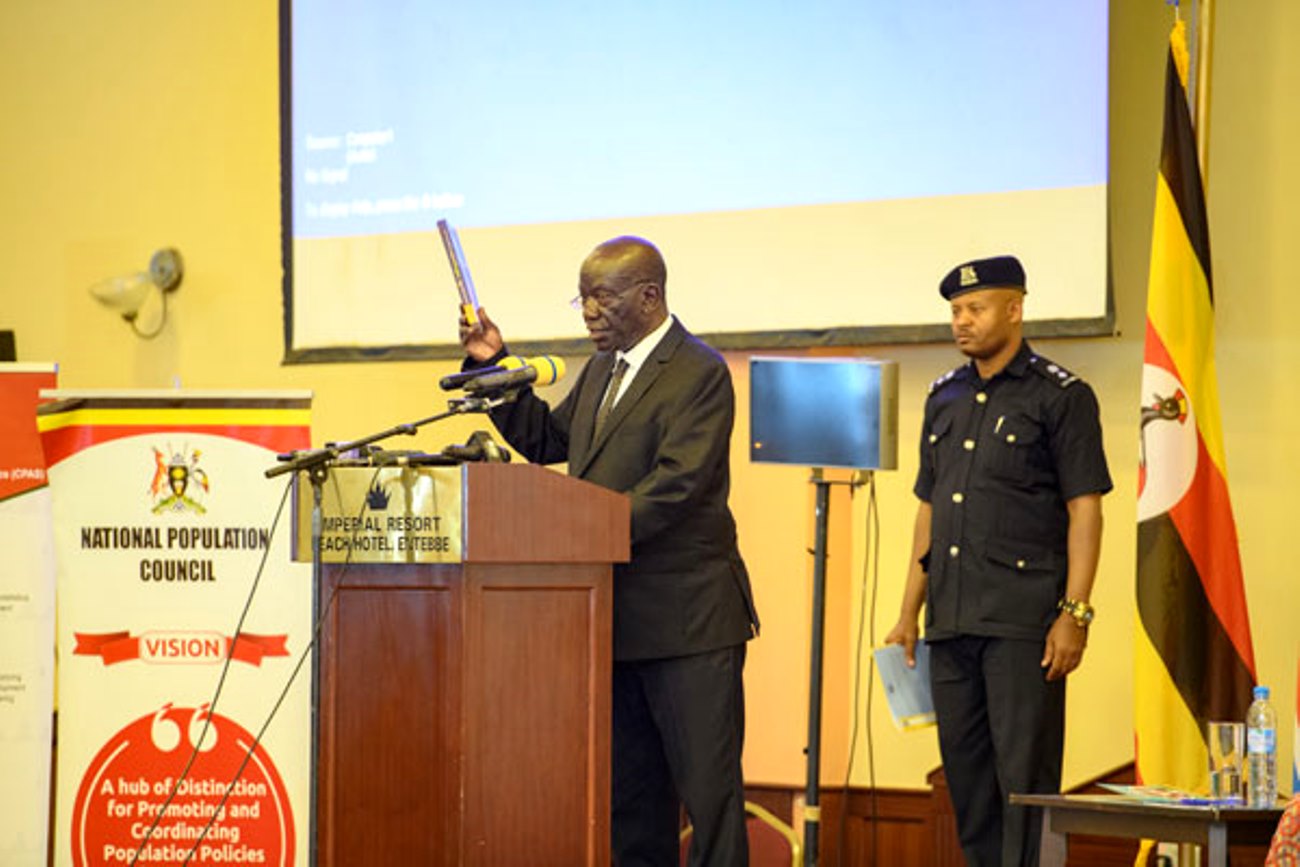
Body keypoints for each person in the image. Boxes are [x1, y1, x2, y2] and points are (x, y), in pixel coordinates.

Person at [457, 235, 758, 866]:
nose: (589, 312)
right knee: (631, 807)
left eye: (602, 298)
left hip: (690, 627)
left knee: (710, 804)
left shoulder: (699, 373)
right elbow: (546, 439)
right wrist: (494, 363)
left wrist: (580, 532)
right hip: (614, 624)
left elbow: (677, 487)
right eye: (583, 298)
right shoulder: (602, 370)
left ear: (649, 297)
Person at [884, 254, 1112, 866]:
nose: (962, 321)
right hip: (951, 622)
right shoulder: (943, 398)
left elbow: (1085, 510)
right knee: (969, 786)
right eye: (956, 310)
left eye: (975, 308)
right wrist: (909, 613)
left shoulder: (1061, 396)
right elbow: (929, 511)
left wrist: (1076, 613)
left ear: (1015, 308)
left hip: (1023, 626)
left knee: (1025, 787)